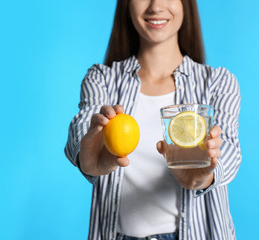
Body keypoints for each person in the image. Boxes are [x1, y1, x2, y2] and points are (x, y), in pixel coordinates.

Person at [65, 0, 242, 239]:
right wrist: (88, 159)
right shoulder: (102, 80)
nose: (156, 6)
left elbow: (229, 147)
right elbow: (83, 126)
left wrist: (204, 175)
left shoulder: (218, 83)